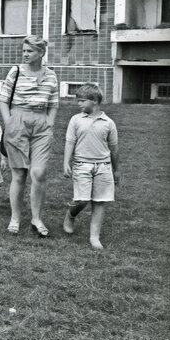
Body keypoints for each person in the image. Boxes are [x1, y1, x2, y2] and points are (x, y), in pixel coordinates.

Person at [0, 36, 59, 237]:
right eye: (24, 51)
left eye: (29, 51)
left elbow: (53, 103)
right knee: (19, 174)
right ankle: (15, 218)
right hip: (18, 120)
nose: (25, 54)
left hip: (41, 123)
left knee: (39, 173)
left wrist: (49, 123)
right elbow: (4, 100)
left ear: (41, 53)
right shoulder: (15, 72)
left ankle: (36, 218)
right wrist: (9, 123)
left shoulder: (51, 75)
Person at [62, 84, 119, 250]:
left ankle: (95, 237)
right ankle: (70, 214)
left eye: (81, 101)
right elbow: (70, 141)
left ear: (94, 101)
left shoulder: (108, 123)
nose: (78, 104)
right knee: (82, 200)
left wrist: (117, 170)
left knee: (100, 202)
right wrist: (66, 162)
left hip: (103, 167)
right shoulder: (76, 120)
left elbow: (114, 148)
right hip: (81, 165)